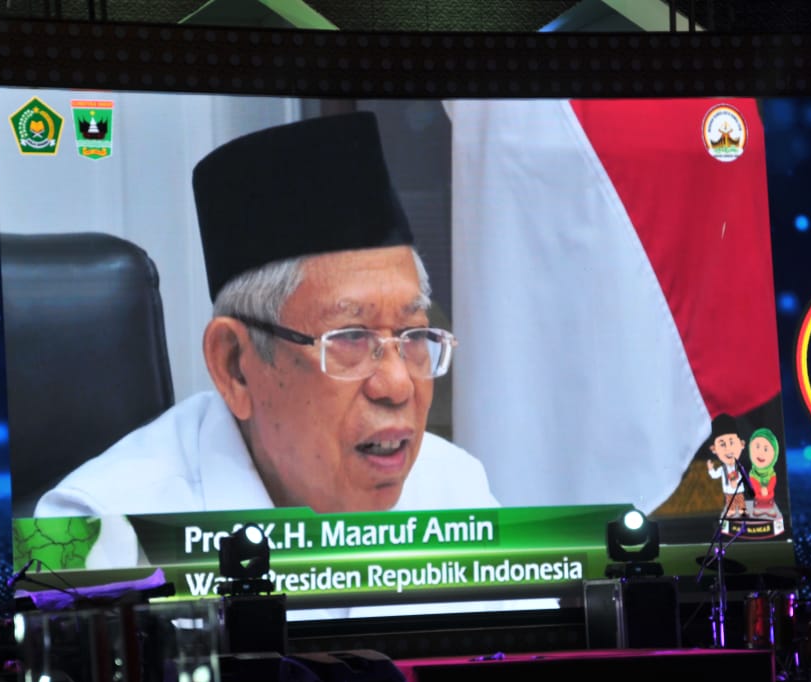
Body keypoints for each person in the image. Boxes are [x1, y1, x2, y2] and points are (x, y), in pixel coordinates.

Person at [33, 111, 499, 564]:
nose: (397, 386)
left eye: (412, 334)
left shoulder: (455, 491)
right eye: (351, 337)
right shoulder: (98, 534)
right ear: (234, 366)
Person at [706, 413, 753, 518]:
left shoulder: (740, 466)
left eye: (732, 443)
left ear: (741, 444)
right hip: (727, 491)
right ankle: (731, 510)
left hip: (740, 490)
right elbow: (714, 474)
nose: (728, 449)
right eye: (722, 444)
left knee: (740, 501)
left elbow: (745, 475)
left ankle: (742, 510)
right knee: (730, 502)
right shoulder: (722, 468)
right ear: (714, 449)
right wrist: (711, 469)